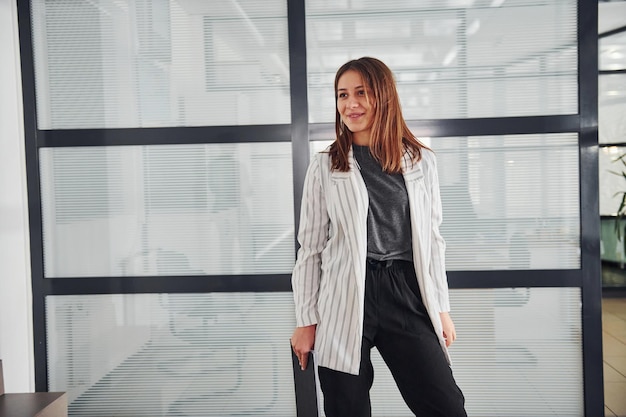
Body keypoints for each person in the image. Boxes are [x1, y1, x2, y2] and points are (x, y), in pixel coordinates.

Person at [290, 57, 467, 417]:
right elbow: (310, 248)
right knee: (346, 407)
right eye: (342, 95)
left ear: (383, 97)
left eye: (361, 93)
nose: (350, 104)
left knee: (445, 405)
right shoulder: (326, 165)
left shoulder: (420, 161)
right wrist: (305, 320)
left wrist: (442, 308)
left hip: (405, 290)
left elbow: (433, 240)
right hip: (345, 292)